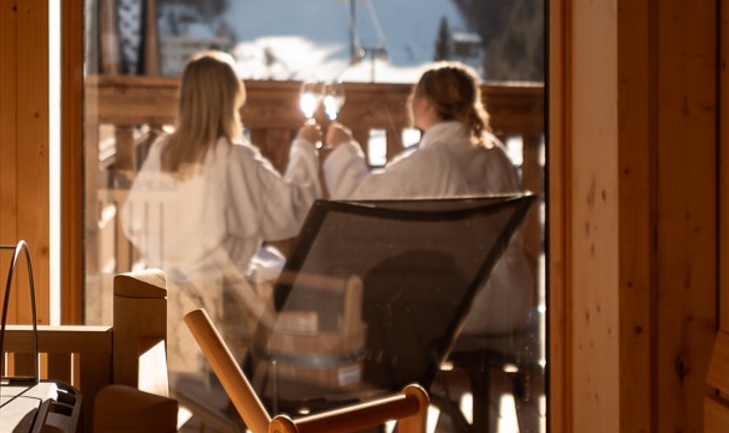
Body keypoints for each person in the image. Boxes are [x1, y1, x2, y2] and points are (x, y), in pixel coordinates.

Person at [121, 51, 319, 372]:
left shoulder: (163, 152)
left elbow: (132, 221)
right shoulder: (235, 158)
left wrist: (172, 261)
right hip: (222, 318)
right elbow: (291, 212)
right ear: (230, 102)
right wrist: (305, 147)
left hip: (165, 310)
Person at [320, 61, 535, 335]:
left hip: (460, 310)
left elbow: (357, 200)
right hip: (510, 304)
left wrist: (343, 148)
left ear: (423, 104)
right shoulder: (497, 154)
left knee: (370, 293)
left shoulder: (433, 160)